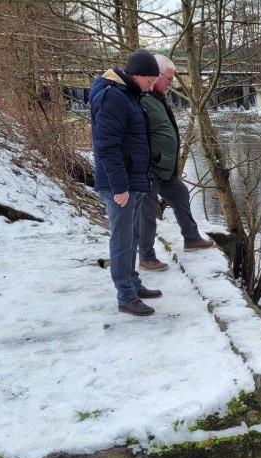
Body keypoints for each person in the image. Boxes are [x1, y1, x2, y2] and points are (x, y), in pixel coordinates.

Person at [90, 49, 163, 316]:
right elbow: (107, 146)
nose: (152, 86)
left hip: (132, 180)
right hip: (119, 185)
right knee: (122, 240)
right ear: (136, 75)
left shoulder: (128, 94)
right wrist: (119, 186)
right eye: (149, 80)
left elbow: (132, 140)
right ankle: (126, 296)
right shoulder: (114, 98)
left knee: (131, 237)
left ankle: (132, 283)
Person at [136, 54, 215, 273]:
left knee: (180, 193)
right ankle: (147, 257)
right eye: (169, 78)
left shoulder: (158, 98)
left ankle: (191, 239)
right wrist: (151, 159)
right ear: (155, 75)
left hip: (164, 168)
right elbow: (136, 135)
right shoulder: (142, 99)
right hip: (149, 169)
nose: (172, 83)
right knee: (147, 212)